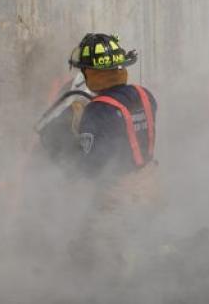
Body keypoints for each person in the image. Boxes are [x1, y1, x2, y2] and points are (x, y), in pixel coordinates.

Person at [66, 33, 162, 282]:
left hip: (119, 196)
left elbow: (92, 167)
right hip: (151, 182)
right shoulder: (145, 95)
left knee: (96, 254)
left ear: (90, 72)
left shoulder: (97, 110)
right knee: (144, 246)